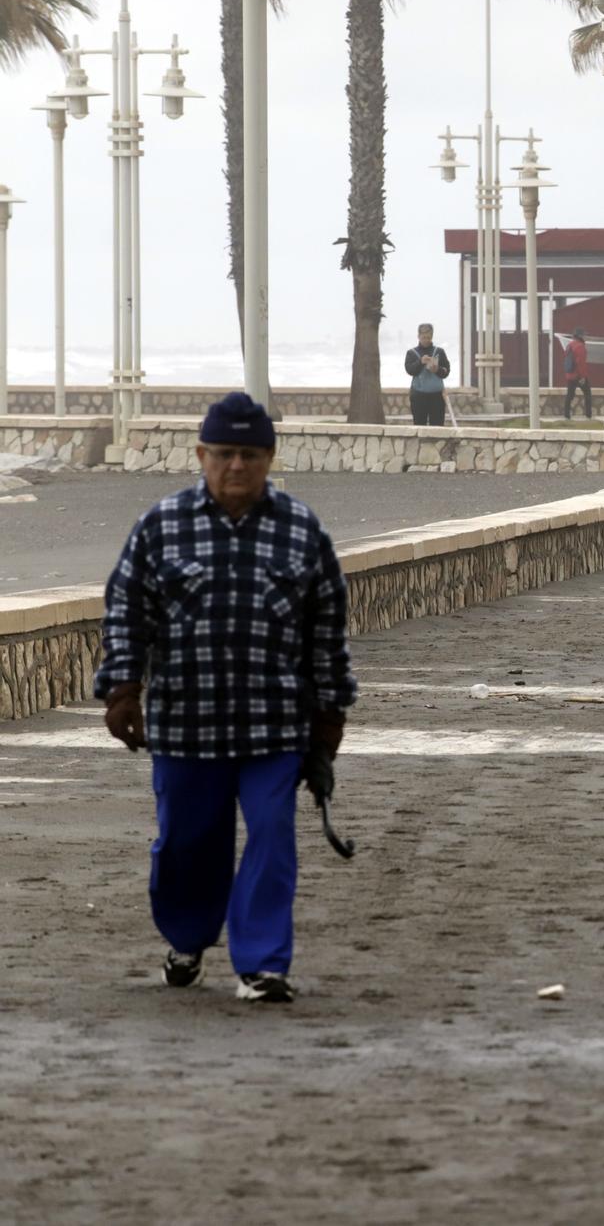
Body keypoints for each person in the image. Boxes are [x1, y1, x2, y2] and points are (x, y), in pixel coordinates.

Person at [95, 393, 356, 1005]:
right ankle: (187, 939)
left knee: (271, 836)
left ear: (269, 457)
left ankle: (262, 964)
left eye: (248, 454)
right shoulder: (161, 526)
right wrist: (122, 690)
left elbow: (327, 629)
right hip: (187, 727)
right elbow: (127, 613)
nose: (235, 466)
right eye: (223, 454)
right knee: (187, 843)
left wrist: (329, 718)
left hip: (274, 729)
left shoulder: (301, 531)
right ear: (201, 456)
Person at [405, 324, 451, 426]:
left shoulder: (439, 352)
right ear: (418, 336)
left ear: (432, 336)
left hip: (437, 396)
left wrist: (437, 370)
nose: (426, 340)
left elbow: (446, 371)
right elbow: (410, 370)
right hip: (418, 395)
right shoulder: (411, 353)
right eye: (423, 337)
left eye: (428, 337)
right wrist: (420, 362)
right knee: (419, 425)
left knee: (437, 426)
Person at [562, 330, 594, 420]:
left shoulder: (569, 345)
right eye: (584, 335)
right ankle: (588, 415)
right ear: (580, 336)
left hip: (569, 375)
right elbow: (581, 363)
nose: (585, 337)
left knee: (569, 395)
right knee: (587, 394)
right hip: (578, 375)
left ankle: (566, 415)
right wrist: (583, 377)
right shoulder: (580, 347)